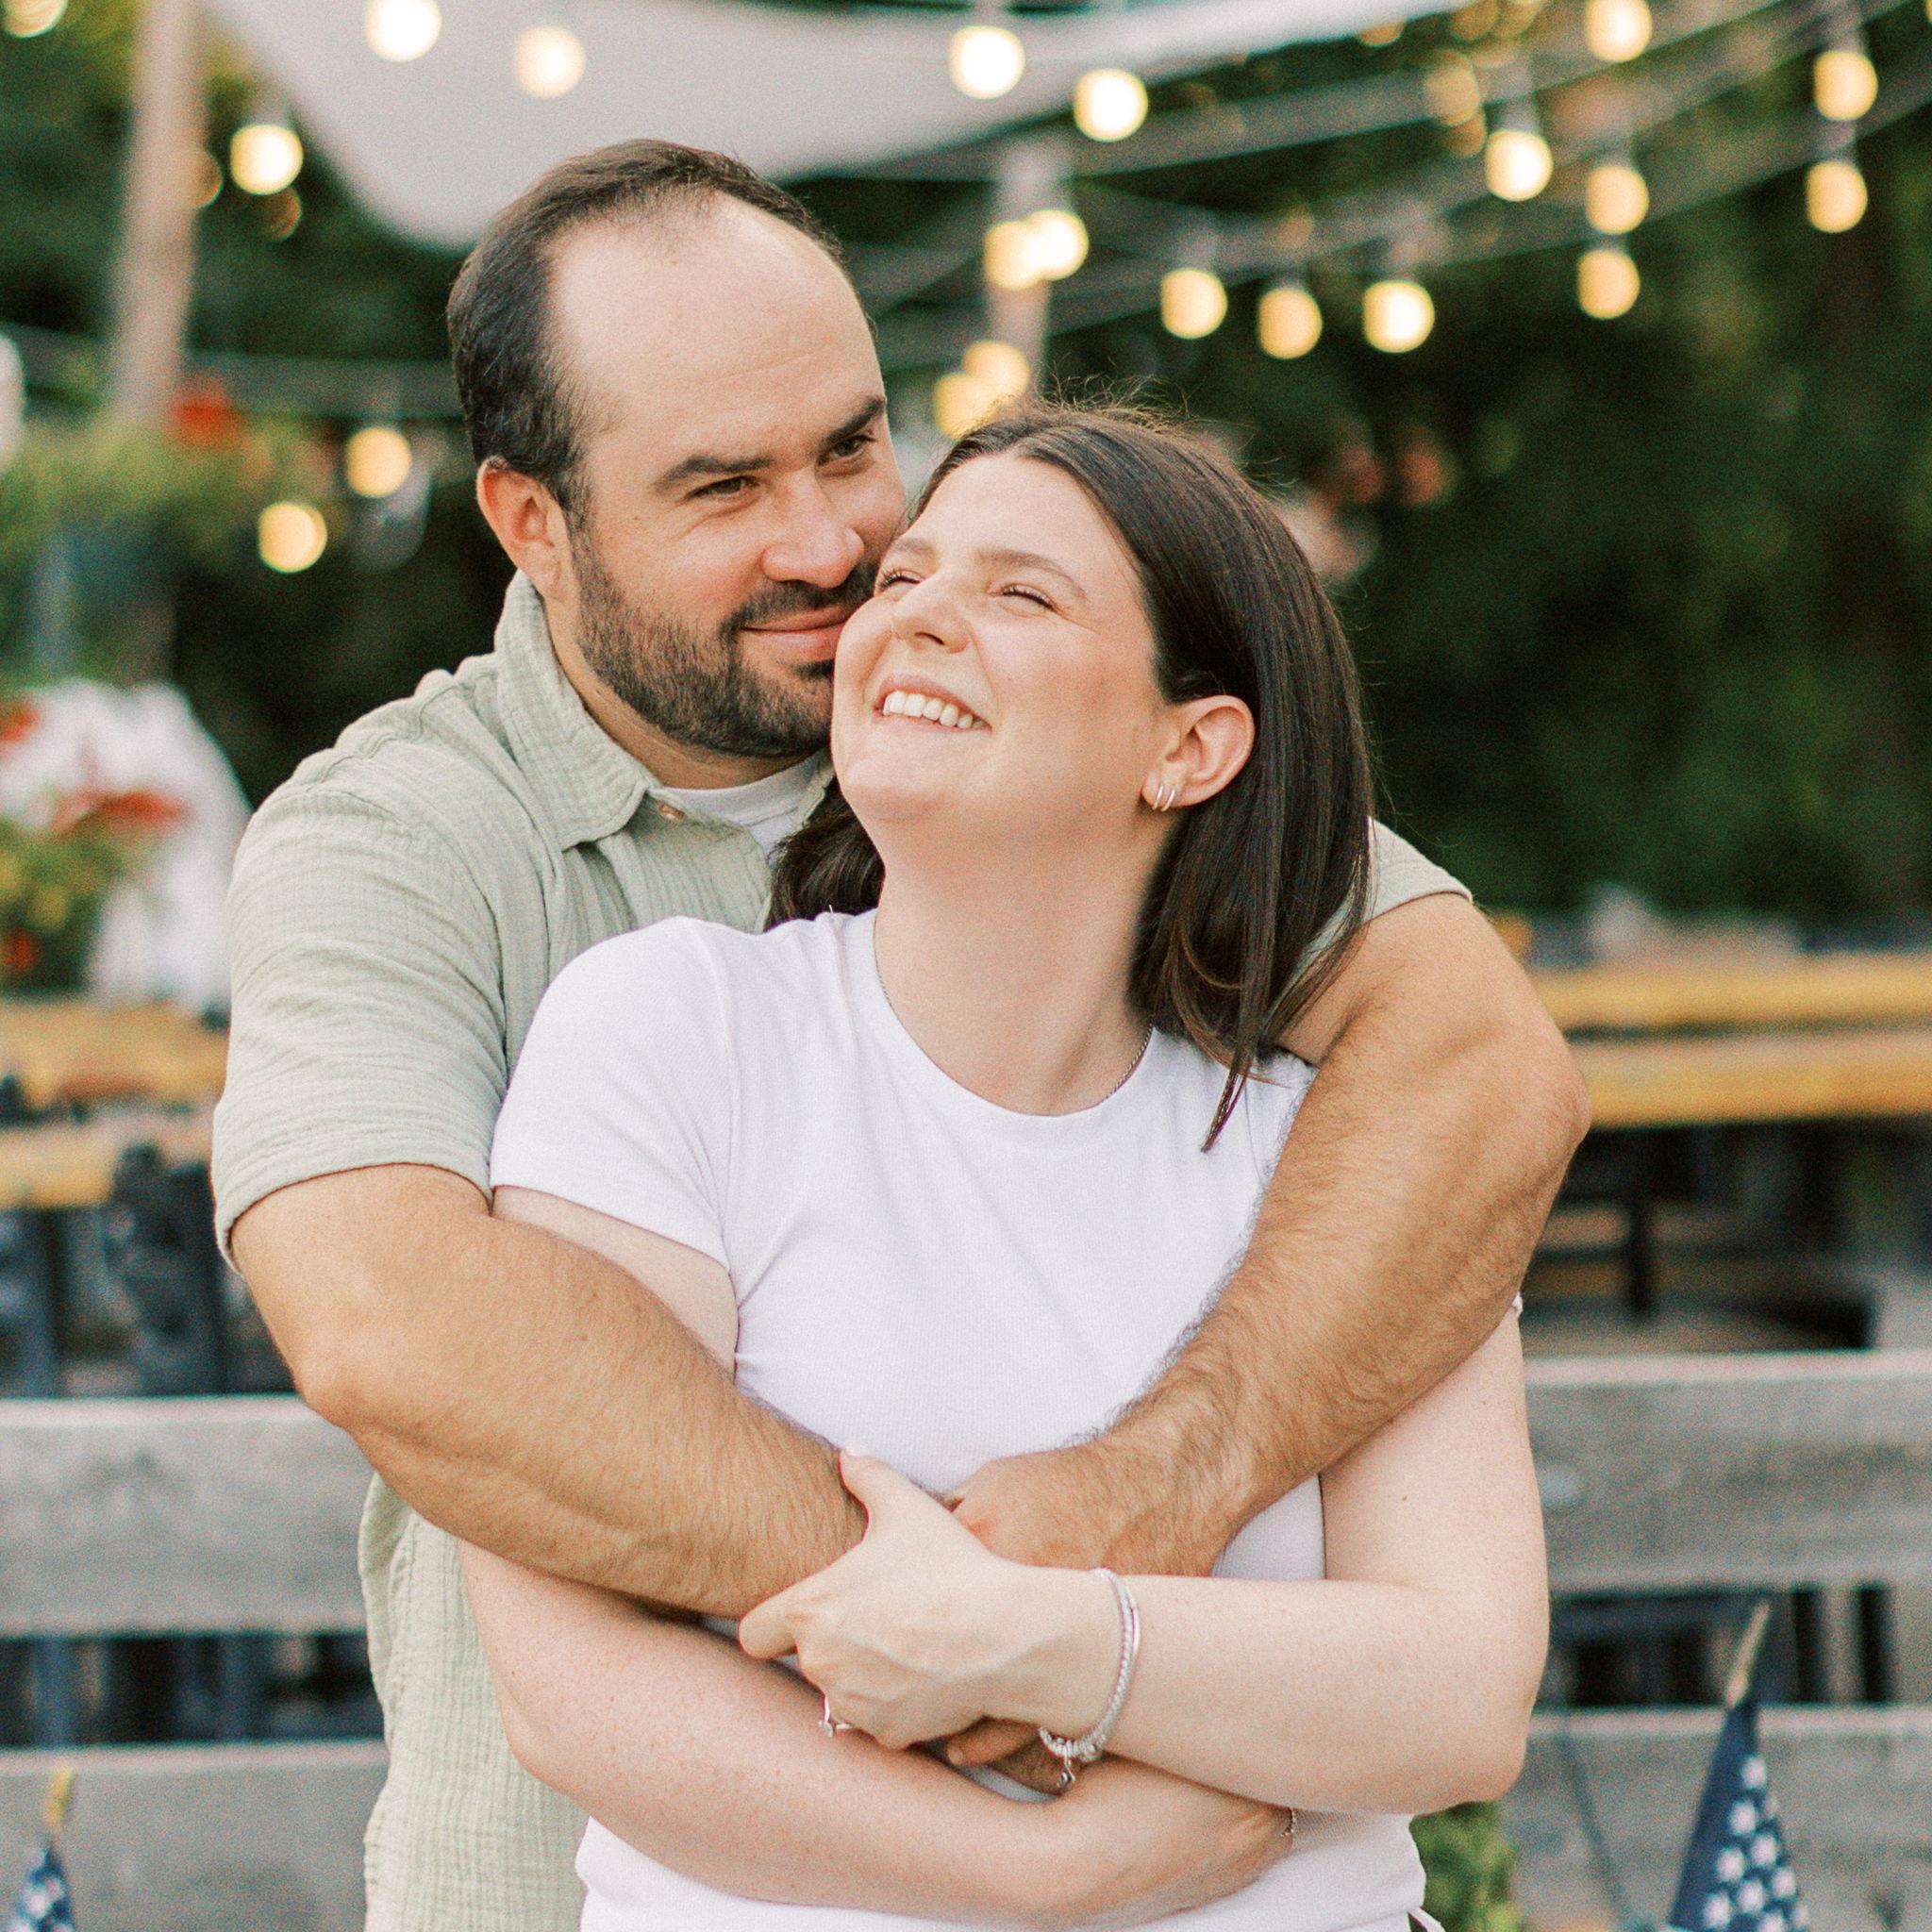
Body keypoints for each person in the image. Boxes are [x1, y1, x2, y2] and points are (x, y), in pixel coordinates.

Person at [212, 141, 1586, 1931]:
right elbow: (391, 1320)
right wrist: (977, 1661)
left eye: (853, 447)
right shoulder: (408, 848)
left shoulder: (1071, 763)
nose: (833, 548)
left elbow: (1477, 1070)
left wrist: (1135, 1507)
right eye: (722, 487)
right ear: (531, 522)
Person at [469, 401, 1549, 1931]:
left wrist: (1043, 1643)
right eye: (906, 578)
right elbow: (574, 1684)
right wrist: (1054, 1870)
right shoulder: (676, 1034)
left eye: (1022, 594)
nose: (915, 618)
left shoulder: (1332, 1150)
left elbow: (1458, 1695)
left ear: (1191, 747)